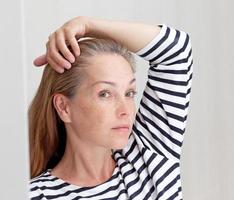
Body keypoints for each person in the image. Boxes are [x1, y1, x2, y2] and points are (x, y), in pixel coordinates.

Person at [28, 16, 193, 200]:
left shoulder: (149, 157)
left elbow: (176, 51)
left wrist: (87, 25)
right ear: (64, 107)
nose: (125, 110)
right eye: (105, 94)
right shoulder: (36, 195)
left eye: (129, 93)